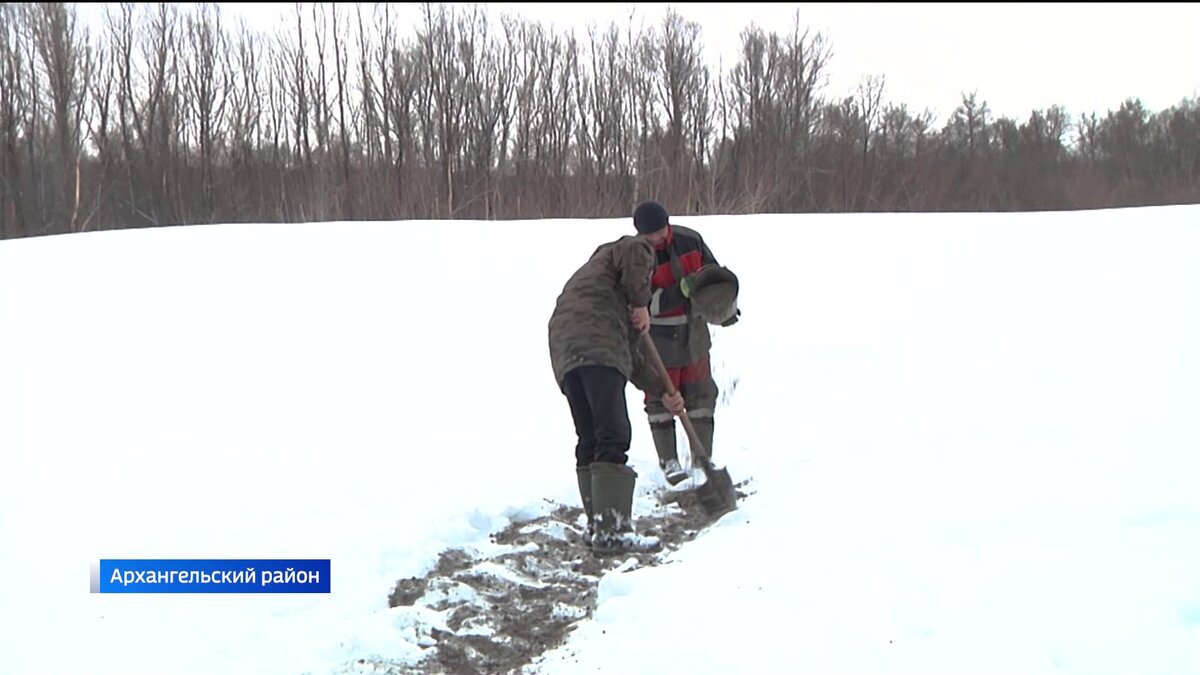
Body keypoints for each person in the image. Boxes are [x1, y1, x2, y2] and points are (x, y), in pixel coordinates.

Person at [548, 232, 686, 555]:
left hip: (566, 348)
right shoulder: (634, 248)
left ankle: (597, 525)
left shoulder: (601, 287)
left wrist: (663, 393)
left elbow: (629, 359)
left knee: (591, 436)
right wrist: (641, 305)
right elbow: (636, 256)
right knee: (613, 433)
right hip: (596, 343)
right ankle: (613, 531)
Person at [632, 199, 739, 485]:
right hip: (658, 340)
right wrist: (680, 291)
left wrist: (723, 308)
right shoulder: (635, 255)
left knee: (702, 396)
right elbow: (640, 303)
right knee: (660, 399)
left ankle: (701, 457)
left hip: (694, 335)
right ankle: (669, 461)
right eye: (650, 234)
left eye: (660, 231)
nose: (657, 238)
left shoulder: (691, 240)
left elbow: (713, 276)